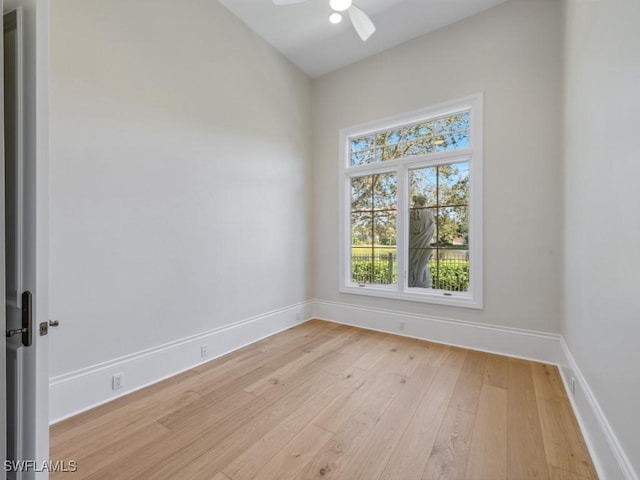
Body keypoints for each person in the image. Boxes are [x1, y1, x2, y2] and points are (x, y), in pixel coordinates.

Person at [409, 195, 436, 288]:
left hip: (410, 245)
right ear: (424, 203)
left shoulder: (408, 214)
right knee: (422, 265)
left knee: (410, 265)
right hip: (423, 245)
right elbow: (432, 229)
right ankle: (420, 284)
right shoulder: (428, 214)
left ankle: (411, 283)